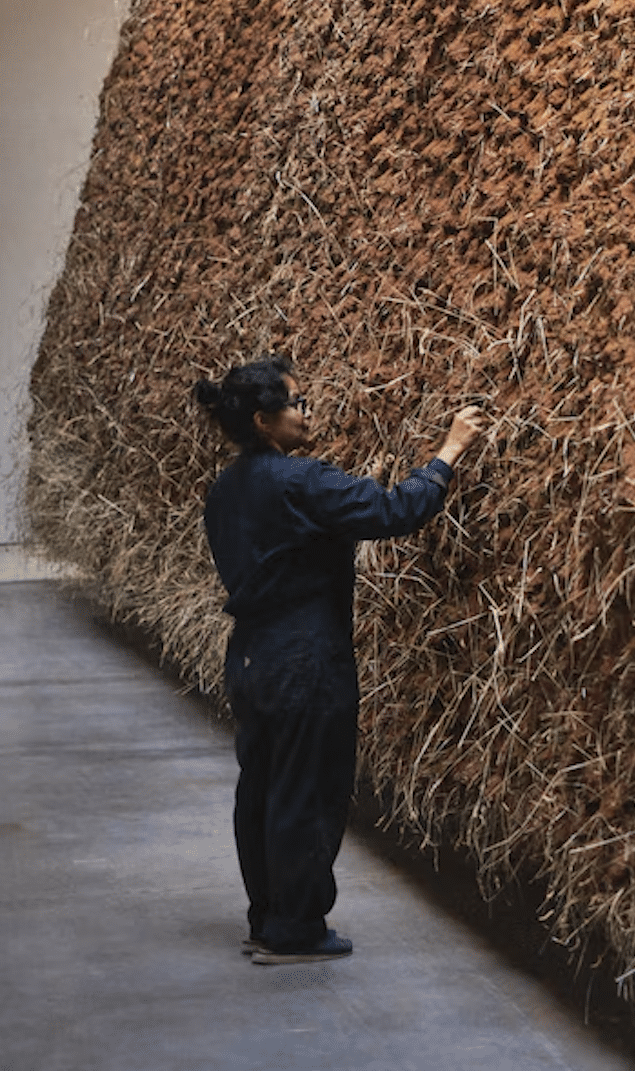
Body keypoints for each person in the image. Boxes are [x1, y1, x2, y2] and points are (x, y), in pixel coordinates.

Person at [194, 354, 487, 965]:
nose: (307, 412)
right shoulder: (299, 480)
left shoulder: (226, 488)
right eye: (297, 403)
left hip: (251, 657)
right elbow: (393, 512)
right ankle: (296, 932)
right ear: (263, 418)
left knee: (264, 789)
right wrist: (449, 452)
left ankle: (267, 918)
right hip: (305, 661)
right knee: (308, 792)